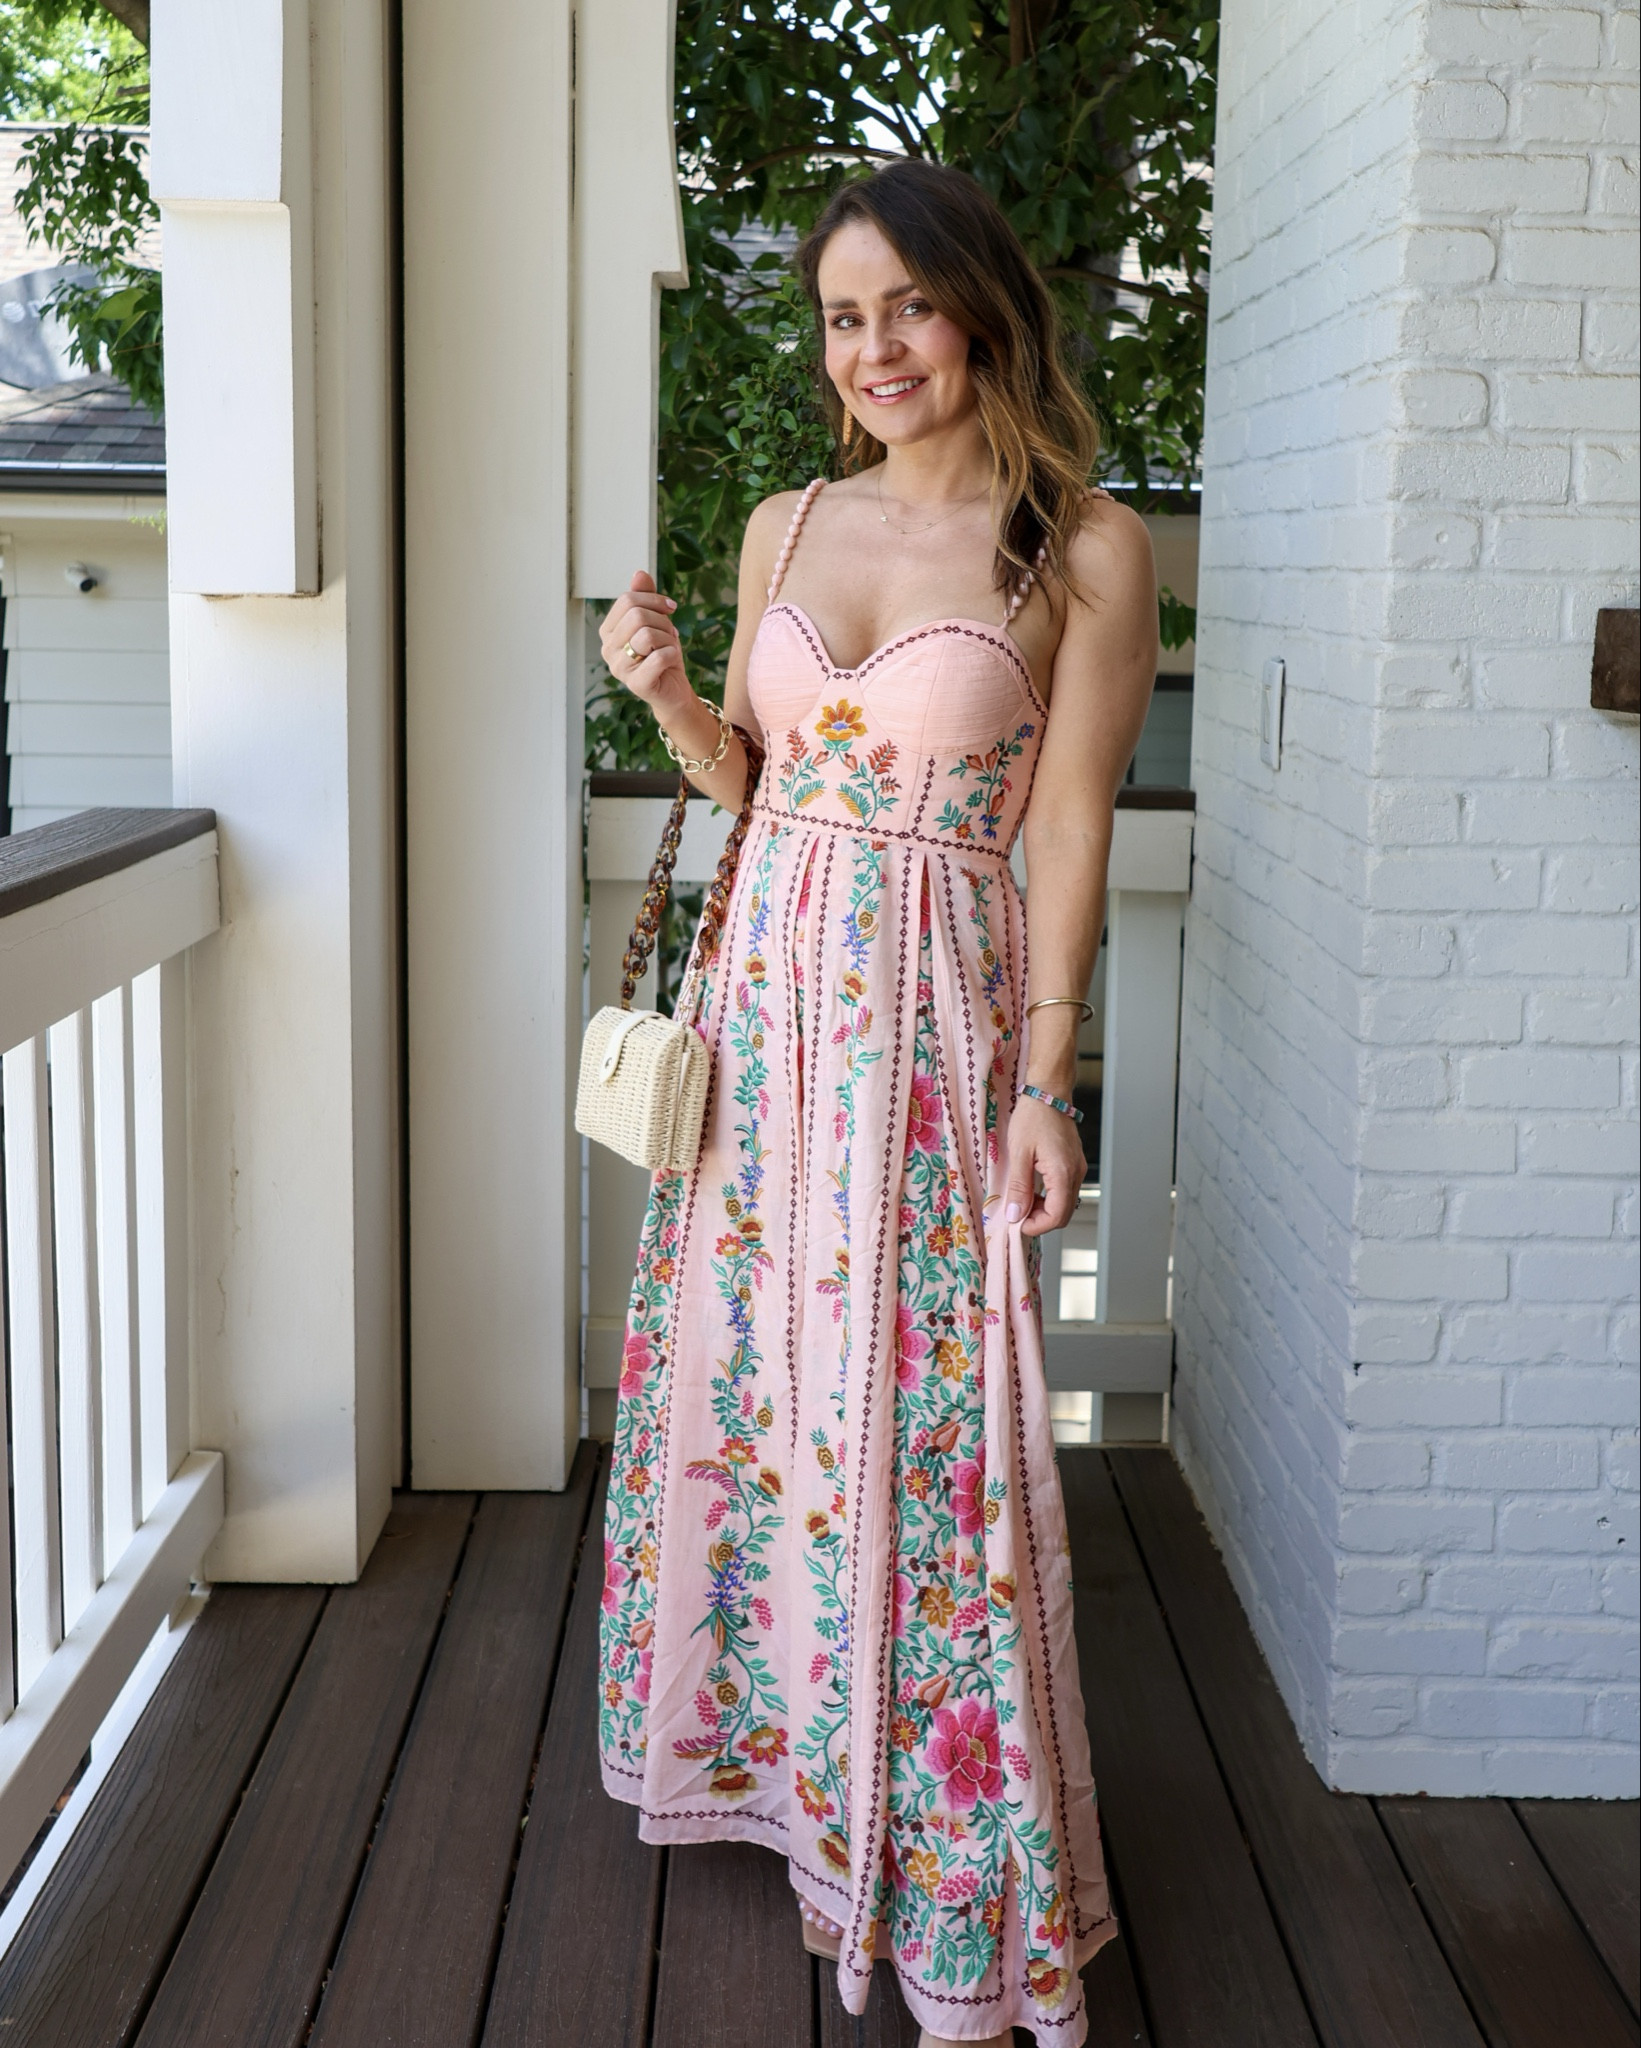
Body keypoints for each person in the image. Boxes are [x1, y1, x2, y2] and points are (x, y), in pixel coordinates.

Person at [596, 157, 1157, 2048]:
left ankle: (944, 1844)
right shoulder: (779, 522)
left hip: (933, 1022)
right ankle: (789, 1768)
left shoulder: (1075, 544)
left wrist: (1045, 1076)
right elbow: (753, 788)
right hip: (764, 1026)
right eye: (843, 317)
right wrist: (675, 694)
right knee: (766, 1395)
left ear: (979, 306)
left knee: (930, 1430)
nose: (874, 346)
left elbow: (1068, 826)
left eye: (904, 305)